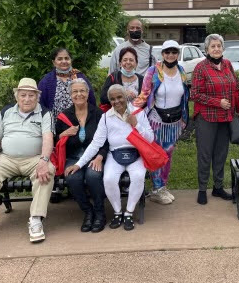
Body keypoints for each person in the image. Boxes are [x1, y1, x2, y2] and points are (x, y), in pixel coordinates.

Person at [0, 78, 55, 246]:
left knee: (48, 171)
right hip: (7, 158)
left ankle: (36, 220)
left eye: (31, 95)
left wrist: (44, 160)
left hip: (34, 159)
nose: (27, 99)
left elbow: (48, 139)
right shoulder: (6, 112)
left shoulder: (45, 113)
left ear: (37, 97)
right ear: (17, 96)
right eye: (23, 95)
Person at [65, 85, 154, 231]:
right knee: (109, 179)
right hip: (114, 154)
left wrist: (136, 125)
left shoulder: (138, 113)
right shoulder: (106, 117)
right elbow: (96, 143)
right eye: (112, 99)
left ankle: (129, 213)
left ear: (126, 96)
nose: (116, 101)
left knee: (138, 176)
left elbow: (150, 139)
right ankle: (118, 212)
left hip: (136, 153)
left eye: (119, 97)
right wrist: (79, 164)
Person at [133, 40, 189, 205]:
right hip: (156, 121)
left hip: (175, 122)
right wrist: (129, 109)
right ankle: (157, 189)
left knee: (168, 155)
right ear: (162, 54)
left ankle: (162, 186)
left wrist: (185, 118)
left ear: (177, 54)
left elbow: (185, 95)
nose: (170, 55)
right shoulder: (153, 71)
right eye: (167, 52)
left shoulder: (182, 71)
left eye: (174, 52)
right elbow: (144, 94)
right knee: (157, 153)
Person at [190, 33, 239, 205]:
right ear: (207, 49)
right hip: (207, 117)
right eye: (213, 46)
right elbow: (195, 94)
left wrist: (237, 108)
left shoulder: (228, 65)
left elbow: (235, 87)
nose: (216, 49)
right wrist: (217, 102)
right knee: (205, 154)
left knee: (221, 154)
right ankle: (202, 188)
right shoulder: (200, 68)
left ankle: (218, 187)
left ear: (223, 48)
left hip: (226, 117)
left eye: (219, 46)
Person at [56, 79, 107, 233]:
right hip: (73, 157)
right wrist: (63, 134)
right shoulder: (64, 116)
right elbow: (54, 139)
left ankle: (99, 213)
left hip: (95, 157)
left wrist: (100, 157)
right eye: (75, 91)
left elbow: (107, 140)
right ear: (70, 95)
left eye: (82, 91)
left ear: (88, 93)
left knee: (93, 175)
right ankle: (88, 211)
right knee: (73, 178)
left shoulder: (99, 114)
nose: (79, 94)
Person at [38, 48, 96, 123]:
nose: (64, 61)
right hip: (55, 126)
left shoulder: (80, 77)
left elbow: (91, 100)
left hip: (81, 123)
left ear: (71, 60)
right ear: (54, 62)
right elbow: (41, 106)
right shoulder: (46, 81)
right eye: (59, 59)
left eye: (67, 58)